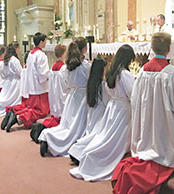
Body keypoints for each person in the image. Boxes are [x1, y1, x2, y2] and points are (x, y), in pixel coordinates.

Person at [111, 32, 174, 194]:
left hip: (147, 119)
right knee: (166, 141)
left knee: (149, 138)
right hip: (166, 121)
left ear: (152, 48)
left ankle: (148, 151)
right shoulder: (172, 73)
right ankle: (165, 158)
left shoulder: (142, 71)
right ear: (169, 49)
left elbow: (135, 98)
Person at [69, 44, 135, 181]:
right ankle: (93, 157)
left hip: (113, 106)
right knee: (113, 139)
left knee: (106, 135)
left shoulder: (112, 72)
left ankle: (84, 151)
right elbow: (131, 94)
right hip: (123, 108)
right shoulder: (126, 74)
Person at [38, 37, 91, 157]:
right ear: (84, 49)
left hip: (72, 96)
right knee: (76, 128)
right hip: (82, 96)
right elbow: (90, 80)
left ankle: (48, 136)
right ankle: (51, 139)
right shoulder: (85, 65)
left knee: (67, 126)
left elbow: (66, 82)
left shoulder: (67, 65)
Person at [1, 32, 50, 132]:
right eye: (45, 41)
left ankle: (14, 111)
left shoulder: (31, 54)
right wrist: (50, 75)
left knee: (31, 107)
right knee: (41, 111)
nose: (45, 43)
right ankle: (18, 118)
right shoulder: (41, 55)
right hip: (39, 87)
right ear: (41, 42)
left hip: (32, 86)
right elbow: (42, 73)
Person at [68, 56, 108, 165]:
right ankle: (79, 151)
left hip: (92, 111)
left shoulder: (91, 82)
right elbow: (106, 100)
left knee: (91, 133)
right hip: (100, 113)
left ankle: (77, 150)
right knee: (97, 136)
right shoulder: (102, 85)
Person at [30, 44, 68, 143]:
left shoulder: (52, 69)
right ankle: (42, 127)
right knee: (62, 122)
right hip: (62, 97)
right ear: (64, 54)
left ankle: (42, 126)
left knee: (55, 117)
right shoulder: (64, 69)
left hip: (55, 98)